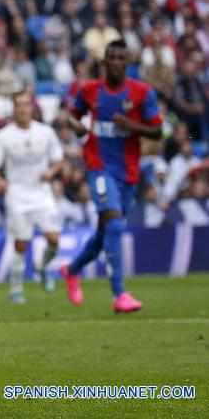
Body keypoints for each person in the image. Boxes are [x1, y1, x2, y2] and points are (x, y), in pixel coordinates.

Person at [61, 40, 164, 313]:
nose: (116, 62)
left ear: (127, 62)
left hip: (128, 172)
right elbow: (71, 115)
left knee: (105, 232)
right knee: (115, 226)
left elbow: (159, 131)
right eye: (111, 58)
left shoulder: (142, 92)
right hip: (98, 166)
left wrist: (132, 126)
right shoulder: (89, 90)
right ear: (104, 62)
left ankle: (71, 270)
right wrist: (78, 127)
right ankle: (119, 294)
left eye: (121, 58)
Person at [0, 91, 64, 304]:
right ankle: (16, 288)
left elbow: (58, 160)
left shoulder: (46, 132)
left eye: (25, 105)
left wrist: (51, 172)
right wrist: (0, 181)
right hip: (17, 195)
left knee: (54, 240)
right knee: (21, 244)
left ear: (31, 108)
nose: (22, 109)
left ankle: (41, 267)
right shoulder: (4, 136)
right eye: (18, 105)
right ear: (13, 109)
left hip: (41, 193)